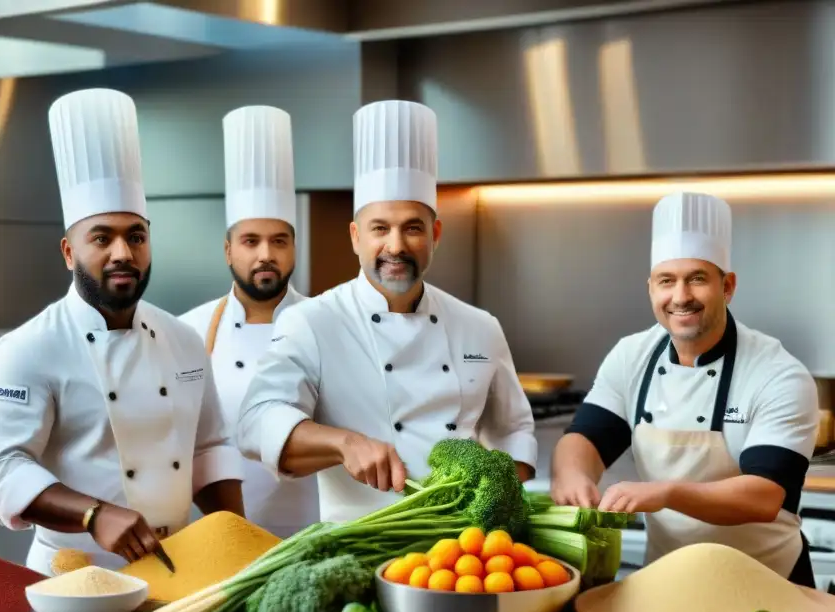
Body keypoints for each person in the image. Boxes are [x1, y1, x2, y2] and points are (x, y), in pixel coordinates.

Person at [0, 88, 244, 575]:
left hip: (175, 571)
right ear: (67, 251)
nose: (122, 252)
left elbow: (208, 449)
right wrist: (92, 513)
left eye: (135, 236)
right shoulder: (26, 349)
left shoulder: (183, 338)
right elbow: (5, 468)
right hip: (75, 573)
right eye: (101, 237)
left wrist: (240, 541)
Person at [236, 99, 537, 523]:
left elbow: (513, 430)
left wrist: (498, 496)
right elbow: (256, 422)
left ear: (435, 234)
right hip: (361, 547)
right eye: (380, 228)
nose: (395, 246)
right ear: (356, 237)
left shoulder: (479, 326)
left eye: (412, 228)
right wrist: (345, 443)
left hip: (463, 553)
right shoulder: (313, 321)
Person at [550, 190, 819, 585]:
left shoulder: (777, 374)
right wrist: (572, 475)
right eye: (666, 281)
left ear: (727, 286)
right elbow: (585, 438)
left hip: (770, 587)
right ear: (651, 289)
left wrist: (668, 492)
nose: (680, 297)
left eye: (697, 279)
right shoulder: (632, 356)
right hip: (667, 583)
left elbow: (764, 496)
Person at [179, 105, 318, 539]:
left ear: (294, 248)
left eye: (279, 241)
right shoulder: (187, 332)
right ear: (228, 250)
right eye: (250, 241)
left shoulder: (328, 325)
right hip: (215, 540)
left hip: (310, 538)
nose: (265, 255)